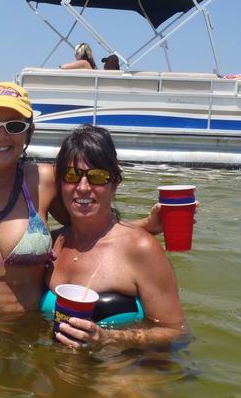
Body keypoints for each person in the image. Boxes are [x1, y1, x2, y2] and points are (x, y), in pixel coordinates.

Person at [0, 83, 161, 313]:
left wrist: (146, 225)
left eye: (14, 126)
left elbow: (86, 231)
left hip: (29, 329)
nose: (1, 135)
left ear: (29, 132)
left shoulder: (46, 181)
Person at [43, 124, 186, 349]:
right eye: (71, 175)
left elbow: (176, 332)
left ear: (114, 184)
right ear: (59, 184)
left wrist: (110, 338)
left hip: (121, 363)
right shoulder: (51, 244)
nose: (83, 187)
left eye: (97, 177)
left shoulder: (141, 248)